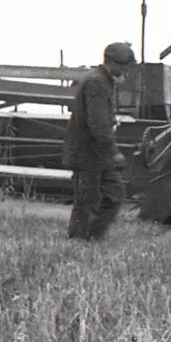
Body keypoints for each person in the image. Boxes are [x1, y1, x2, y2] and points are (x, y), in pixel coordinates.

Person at [63, 42, 134, 240]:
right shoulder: (97, 82)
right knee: (87, 200)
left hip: (97, 153)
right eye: (123, 64)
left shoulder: (103, 80)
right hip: (88, 154)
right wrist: (114, 152)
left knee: (115, 194)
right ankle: (78, 241)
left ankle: (92, 238)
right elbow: (98, 124)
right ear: (110, 62)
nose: (126, 69)